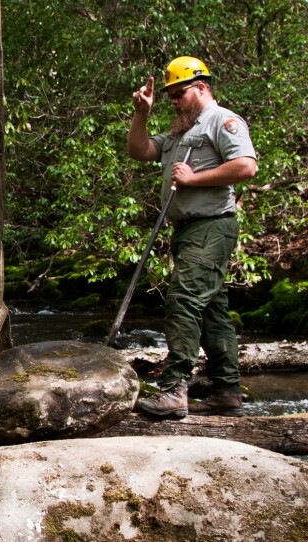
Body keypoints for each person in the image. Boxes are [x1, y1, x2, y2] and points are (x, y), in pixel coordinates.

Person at [126, 56, 258, 417]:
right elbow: (140, 151)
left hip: (213, 224)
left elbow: (246, 165)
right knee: (214, 311)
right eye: (169, 96)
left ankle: (174, 391)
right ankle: (227, 392)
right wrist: (141, 113)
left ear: (202, 88)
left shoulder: (222, 120)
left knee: (183, 298)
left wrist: (193, 179)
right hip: (187, 229)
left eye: (179, 93)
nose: (174, 101)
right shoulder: (179, 129)